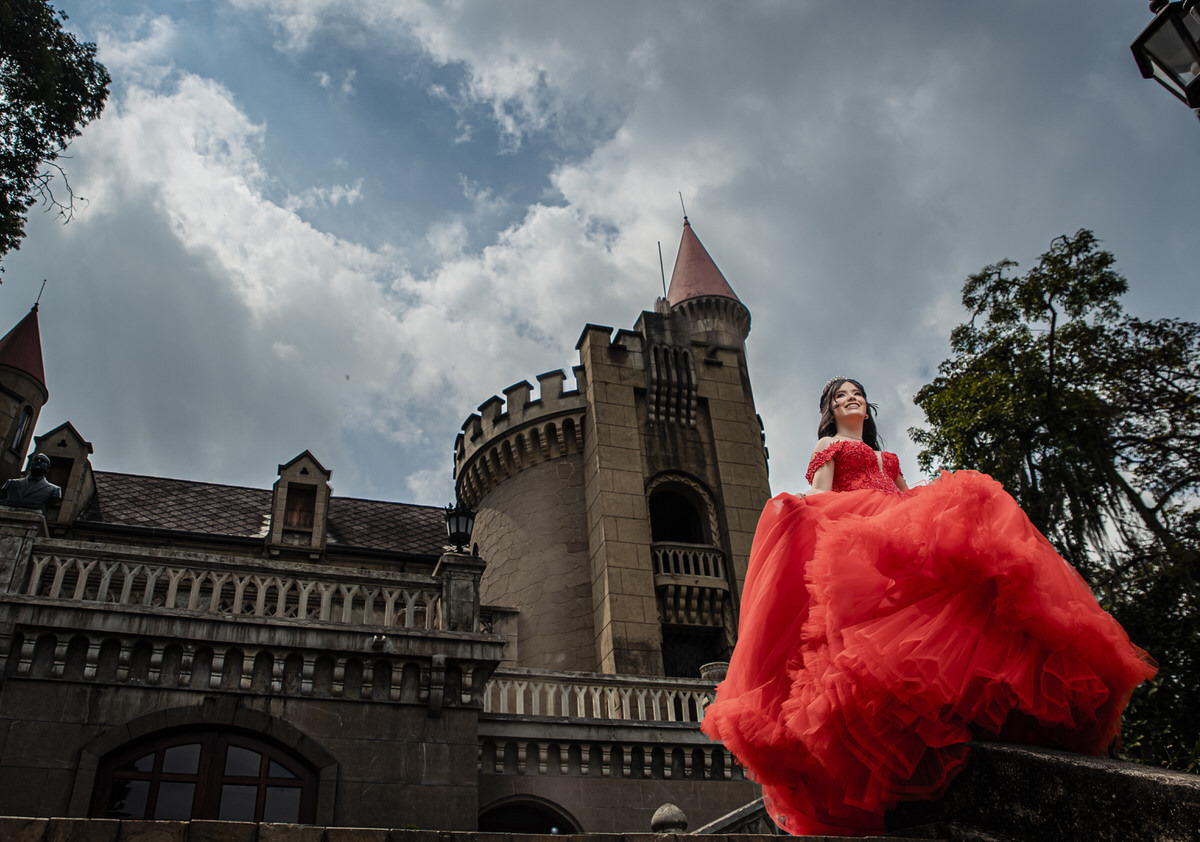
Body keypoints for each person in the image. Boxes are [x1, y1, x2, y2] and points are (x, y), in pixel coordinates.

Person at [700, 377, 1157, 837]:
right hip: (855, 528)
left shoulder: (887, 457)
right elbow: (822, 495)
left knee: (950, 584)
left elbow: (904, 497)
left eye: (856, 394)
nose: (850, 399)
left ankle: (967, 712)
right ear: (831, 411)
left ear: (867, 406)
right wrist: (802, 512)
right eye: (840, 396)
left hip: (893, 525)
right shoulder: (830, 445)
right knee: (871, 642)